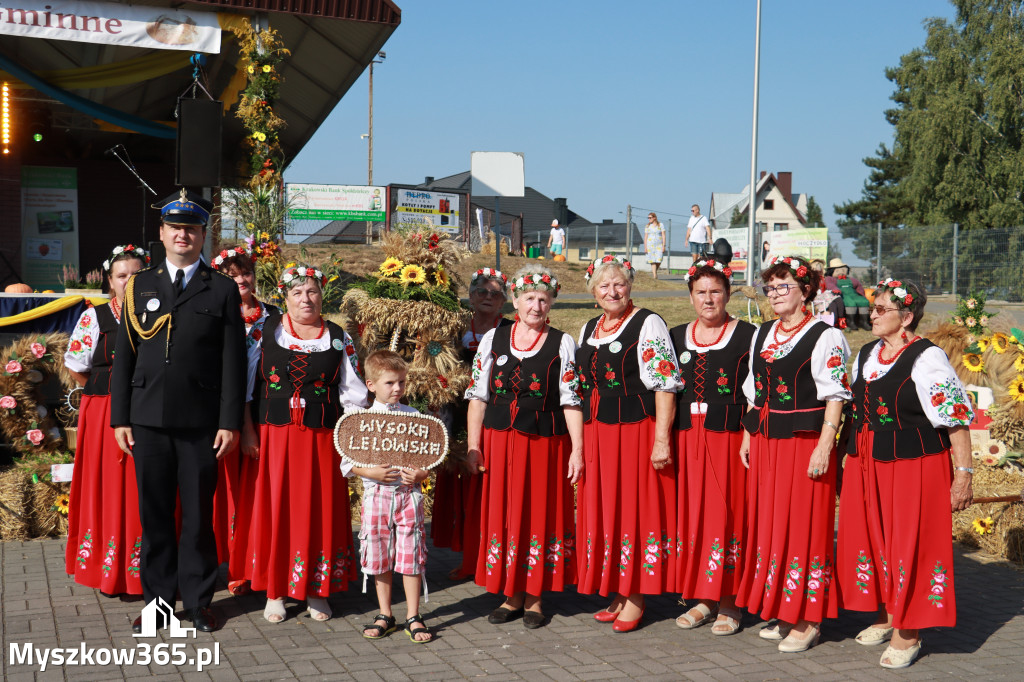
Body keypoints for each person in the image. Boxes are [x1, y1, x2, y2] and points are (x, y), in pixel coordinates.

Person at [111, 190, 246, 634]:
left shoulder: (221, 288)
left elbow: (232, 360)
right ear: (163, 234)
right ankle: (158, 606)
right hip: (148, 419)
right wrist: (120, 417)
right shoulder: (140, 285)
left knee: (197, 518)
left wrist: (229, 422)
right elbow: (125, 356)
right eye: (175, 228)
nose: (182, 235)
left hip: (201, 423)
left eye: (191, 228)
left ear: (202, 235)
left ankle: (199, 601)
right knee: (154, 516)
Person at [837, 278, 973, 669]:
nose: (873, 315)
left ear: (906, 316)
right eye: (873, 308)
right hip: (868, 463)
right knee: (875, 539)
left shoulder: (926, 357)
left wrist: (962, 474)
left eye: (881, 310)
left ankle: (908, 631)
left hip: (915, 465)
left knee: (909, 543)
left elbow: (956, 420)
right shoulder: (865, 355)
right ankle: (888, 613)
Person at [735, 255, 851, 653]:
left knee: (805, 524)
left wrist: (825, 444)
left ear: (806, 291)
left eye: (784, 286)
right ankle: (785, 607)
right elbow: (755, 390)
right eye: (770, 287)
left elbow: (835, 395)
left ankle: (809, 617)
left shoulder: (825, 335)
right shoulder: (763, 332)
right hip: (767, 441)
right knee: (772, 524)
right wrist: (750, 435)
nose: (775, 294)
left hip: (804, 443)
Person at [242, 264, 369, 623]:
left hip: (321, 439)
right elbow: (245, 387)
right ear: (285, 297)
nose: (305, 299)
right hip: (274, 437)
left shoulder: (337, 336)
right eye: (297, 292)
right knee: (277, 508)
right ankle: (275, 589)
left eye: (312, 291)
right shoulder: (263, 332)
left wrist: (348, 438)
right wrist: (248, 431)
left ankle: (317, 588)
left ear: (322, 295)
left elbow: (354, 392)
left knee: (319, 509)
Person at [465, 266, 584, 629]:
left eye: (543, 299)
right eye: (529, 298)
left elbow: (571, 401)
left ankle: (535, 597)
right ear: (515, 300)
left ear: (551, 304)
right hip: (500, 442)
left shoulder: (562, 342)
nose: (536, 306)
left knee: (538, 513)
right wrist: (473, 445)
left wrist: (577, 450)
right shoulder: (494, 340)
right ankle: (510, 594)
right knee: (505, 513)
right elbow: (477, 397)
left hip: (544, 444)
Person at [575, 254, 682, 633]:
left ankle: (637, 595)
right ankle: (619, 589)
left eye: (619, 283)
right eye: (604, 285)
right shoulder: (590, 326)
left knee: (635, 509)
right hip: (599, 432)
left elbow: (665, 384)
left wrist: (660, 440)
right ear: (593, 291)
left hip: (636, 430)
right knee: (610, 510)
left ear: (630, 286)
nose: (612, 291)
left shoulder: (647, 322)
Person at [669, 258, 756, 635]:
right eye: (701, 292)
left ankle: (730, 602)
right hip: (687, 435)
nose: (708, 299)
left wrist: (750, 436)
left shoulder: (749, 335)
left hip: (729, 438)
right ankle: (703, 597)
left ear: (728, 294)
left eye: (716, 292)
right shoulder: (674, 337)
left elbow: (759, 392)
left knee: (727, 514)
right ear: (690, 297)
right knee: (695, 515)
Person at [65, 244, 150, 596]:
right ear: (110, 281)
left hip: (147, 410)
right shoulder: (94, 317)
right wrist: (107, 392)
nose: (129, 282)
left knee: (142, 487)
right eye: (121, 276)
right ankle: (108, 570)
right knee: (108, 486)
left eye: (137, 275)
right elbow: (76, 366)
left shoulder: (161, 315)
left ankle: (144, 569)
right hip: (103, 413)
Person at [344, 350, 434, 644]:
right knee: (379, 553)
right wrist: (371, 472)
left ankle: (413, 615)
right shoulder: (359, 419)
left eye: (402, 383)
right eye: (390, 383)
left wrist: (421, 474)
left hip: (409, 497)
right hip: (377, 496)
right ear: (370, 384)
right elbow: (347, 462)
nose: (397, 388)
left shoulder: (414, 416)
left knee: (411, 554)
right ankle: (385, 613)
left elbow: (428, 458)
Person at [431, 268, 511, 579]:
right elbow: (434, 359)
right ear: (471, 297)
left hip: (490, 414)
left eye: (495, 293)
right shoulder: (454, 329)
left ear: (505, 299)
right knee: (461, 487)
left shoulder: (511, 330)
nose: (488, 298)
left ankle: (490, 556)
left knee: (485, 487)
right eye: (481, 292)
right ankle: (467, 556)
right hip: (455, 412)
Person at [211, 246, 279, 596]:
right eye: (232, 275)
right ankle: (226, 565)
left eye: (246, 272)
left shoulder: (277, 317)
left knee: (253, 491)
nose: (241, 280)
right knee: (224, 493)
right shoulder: (213, 313)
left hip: (263, 411)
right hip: (221, 412)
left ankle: (250, 563)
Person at [826, 258, 871, 331]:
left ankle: (864, 321)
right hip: (842, 295)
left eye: (842, 269)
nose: (841, 272)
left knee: (863, 301)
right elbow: (830, 285)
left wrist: (861, 294)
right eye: (837, 270)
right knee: (850, 303)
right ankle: (850, 321)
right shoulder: (830, 279)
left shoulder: (851, 279)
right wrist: (835, 289)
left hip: (854, 294)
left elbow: (858, 286)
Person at [644, 212, 666, 279]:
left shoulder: (660, 225)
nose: (649, 219)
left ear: (654, 218)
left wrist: (664, 245)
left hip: (659, 245)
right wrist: (645, 247)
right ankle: (654, 276)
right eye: (648, 218)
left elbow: (663, 235)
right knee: (652, 260)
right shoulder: (647, 226)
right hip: (650, 245)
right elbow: (645, 237)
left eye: (650, 217)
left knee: (659, 260)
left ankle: (655, 271)